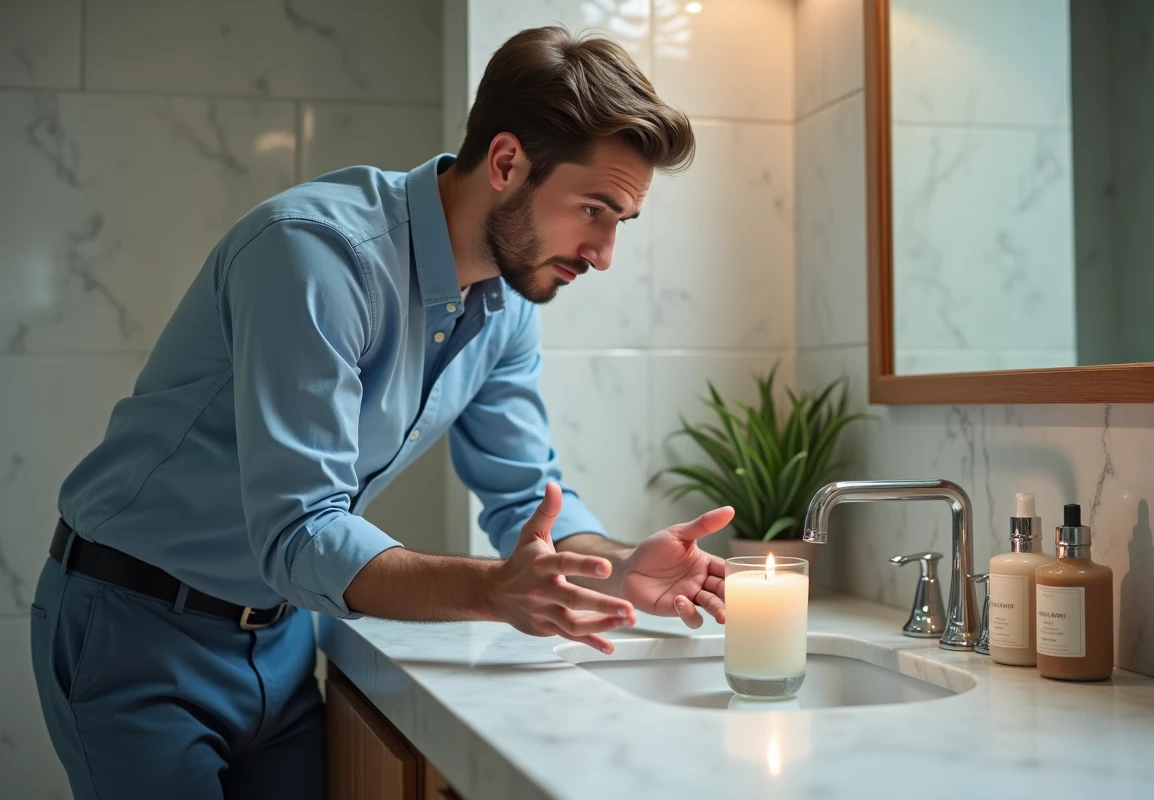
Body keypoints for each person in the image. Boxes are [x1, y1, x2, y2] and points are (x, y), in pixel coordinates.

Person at [29, 24, 733, 800]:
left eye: (620, 223)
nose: (604, 254)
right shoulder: (314, 252)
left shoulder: (507, 305)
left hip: (285, 638)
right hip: (134, 628)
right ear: (506, 163)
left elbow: (527, 494)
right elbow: (301, 529)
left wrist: (614, 567)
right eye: (594, 210)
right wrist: (492, 590)